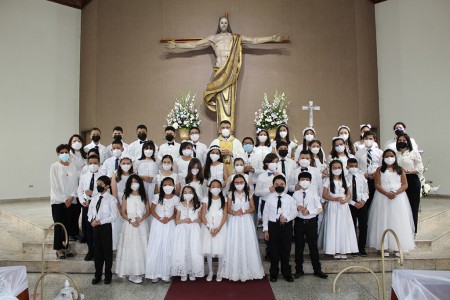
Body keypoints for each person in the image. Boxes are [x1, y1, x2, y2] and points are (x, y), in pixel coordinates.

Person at [165, 16, 282, 131]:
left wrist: (271, 38)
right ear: (219, 25)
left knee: (230, 100)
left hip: (231, 72)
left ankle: (229, 128)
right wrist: (176, 45)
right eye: (222, 23)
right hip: (220, 71)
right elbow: (194, 45)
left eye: (226, 23)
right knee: (220, 100)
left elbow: (254, 40)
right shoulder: (213, 38)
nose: (224, 25)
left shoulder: (235, 38)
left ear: (228, 25)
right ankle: (222, 128)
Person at [367, 149, 415, 256]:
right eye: (387, 156)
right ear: (383, 158)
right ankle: (384, 246)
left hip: (398, 197)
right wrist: (386, 193)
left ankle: (397, 245)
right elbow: (377, 185)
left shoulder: (400, 169)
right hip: (382, 197)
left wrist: (396, 192)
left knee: (397, 220)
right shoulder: (379, 170)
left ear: (395, 157)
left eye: (392, 156)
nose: (390, 158)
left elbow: (405, 184)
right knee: (383, 220)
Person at [221, 174, 264, 282]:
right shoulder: (230, 194)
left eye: (241, 182)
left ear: (244, 183)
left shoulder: (249, 193)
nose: (239, 184)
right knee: (234, 242)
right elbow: (228, 209)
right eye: (237, 182)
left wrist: (244, 211)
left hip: (246, 220)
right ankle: (234, 270)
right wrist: (234, 212)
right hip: (235, 220)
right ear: (233, 184)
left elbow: (253, 208)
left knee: (247, 242)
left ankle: (249, 269)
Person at [319, 160, 358, 259]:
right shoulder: (328, 180)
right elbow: (324, 195)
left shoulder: (344, 180)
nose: (337, 170)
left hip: (343, 206)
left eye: (339, 168)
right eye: (335, 168)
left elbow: (349, 193)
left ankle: (343, 249)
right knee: (334, 226)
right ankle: (334, 250)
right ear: (331, 169)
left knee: (343, 227)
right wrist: (335, 199)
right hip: (333, 206)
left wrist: (346, 199)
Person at [115, 174, 150, 284]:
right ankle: (132, 273)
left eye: (136, 181)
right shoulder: (126, 195)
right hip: (130, 225)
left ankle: (141, 270)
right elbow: (123, 212)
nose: (134, 184)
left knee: (141, 247)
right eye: (132, 182)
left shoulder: (144, 196)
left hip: (141, 225)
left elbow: (148, 211)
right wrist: (131, 220)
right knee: (131, 248)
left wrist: (141, 219)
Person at [292, 172, 327, 279]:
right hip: (299, 222)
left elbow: (319, 208)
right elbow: (290, 209)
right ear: (298, 181)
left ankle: (317, 269)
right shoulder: (295, 194)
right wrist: (297, 208)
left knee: (313, 246)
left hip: (311, 222)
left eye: (307, 179)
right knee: (299, 246)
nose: (305, 181)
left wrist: (310, 211)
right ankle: (299, 269)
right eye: (302, 179)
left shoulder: (313, 193)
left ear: (310, 181)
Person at [263, 175, 297, 282]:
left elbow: (294, 212)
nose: (279, 186)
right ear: (273, 185)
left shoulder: (290, 198)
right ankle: (274, 273)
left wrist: (287, 218)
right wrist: (266, 230)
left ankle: (286, 273)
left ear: (285, 185)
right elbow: (265, 215)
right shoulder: (269, 199)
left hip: (286, 227)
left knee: (286, 251)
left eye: (281, 184)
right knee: (274, 252)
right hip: (273, 227)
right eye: (276, 184)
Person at [146, 177, 179, 283]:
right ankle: (154, 273)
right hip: (158, 224)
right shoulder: (157, 197)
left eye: (170, 184)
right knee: (157, 246)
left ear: (173, 186)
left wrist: (169, 219)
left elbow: (176, 213)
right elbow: (151, 210)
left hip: (169, 224)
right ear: (161, 186)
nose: (167, 187)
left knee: (168, 247)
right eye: (165, 185)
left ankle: (166, 273)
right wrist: (160, 218)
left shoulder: (176, 198)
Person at [50, 144, 78, 259]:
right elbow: (54, 185)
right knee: (59, 225)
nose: (64, 154)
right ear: (58, 154)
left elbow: (75, 183)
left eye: (66, 152)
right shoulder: (54, 167)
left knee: (68, 225)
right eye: (61, 152)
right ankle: (58, 249)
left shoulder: (73, 167)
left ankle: (66, 247)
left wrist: (71, 197)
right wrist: (63, 199)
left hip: (71, 201)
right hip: (58, 201)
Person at [88, 175, 118, 285]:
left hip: (105, 227)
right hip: (95, 227)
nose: (98, 186)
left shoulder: (111, 199)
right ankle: (97, 275)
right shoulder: (95, 198)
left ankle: (108, 275)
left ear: (107, 186)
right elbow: (90, 212)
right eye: (97, 184)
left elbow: (114, 216)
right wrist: (91, 220)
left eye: (100, 184)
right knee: (97, 252)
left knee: (107, 252)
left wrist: (100, 221)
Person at [170, 186, 204, 281]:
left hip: (193, 229)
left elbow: (200, 219)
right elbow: (176, 220)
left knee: (193, 249)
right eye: (185, 192)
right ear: (182, 194)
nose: (187, 194)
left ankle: (193, 271)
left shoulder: (197, 205)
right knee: (182, 249)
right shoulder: (180, 205)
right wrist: (184, 220)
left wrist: (193, 220)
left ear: (193, 194)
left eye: (190, 192)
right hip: (182, 230)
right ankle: (183, 272)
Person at [77, 154, 104, 261]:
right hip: (86, 205)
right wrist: (82, 201)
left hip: (98, 206)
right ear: (87, 164)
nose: (93, 165)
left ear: (99, 163)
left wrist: (93, 194)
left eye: (95, 163)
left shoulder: (103, 176)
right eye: (90, 163)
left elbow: (105, 191)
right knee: (88, 229)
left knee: (97, 229)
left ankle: (98, 251)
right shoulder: (84, 176)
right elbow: (79, 190)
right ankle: (90, 251)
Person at [201, 179, 228, 282]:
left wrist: (218, 228)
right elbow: (202, 215)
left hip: (220, 226)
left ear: (221, 188)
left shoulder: (224, 199)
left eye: (218, 186)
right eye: (213, 186)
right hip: (208, 226)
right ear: (209, 188)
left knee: (220, 249)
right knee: (209, 249)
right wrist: (209, 227)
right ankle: (211, 272)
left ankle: (220, 272)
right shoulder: (205, 199)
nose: (215, 188)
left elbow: (225, 215)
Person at [396, 133, 423, 234]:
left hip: (412, 181)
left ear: (408, 142)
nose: (401, 142)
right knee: (401, 207)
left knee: (412, 206)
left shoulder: (414, 153)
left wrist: (406, 171)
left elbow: (420, 169)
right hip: (398, 182)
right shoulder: (395, 153)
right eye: (400, 140)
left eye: (404, 140)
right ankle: (402, 230)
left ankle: (412, 231)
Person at [345, 158, 369, 256]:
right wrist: (353, 203)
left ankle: (362, 247)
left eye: (355, 166)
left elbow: (366, 191)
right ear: (347, 167)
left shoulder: (361, 177)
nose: (353, 168)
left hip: (362, 204)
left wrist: (363, 201)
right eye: (351, 166)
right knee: (352, 226)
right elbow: (344, 193)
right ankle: (353, 248)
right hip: (350, 205)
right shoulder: (345, 178)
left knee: (363, 226)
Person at [110, 156, 134, 251]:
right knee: (117, 224)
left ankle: (128, 246)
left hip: (130, 200)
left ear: (131, 165)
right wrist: (119, 207)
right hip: (118, 201)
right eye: (123, 163)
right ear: (119, 164)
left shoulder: (133, 175)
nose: (126, 165)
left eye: (128, 163)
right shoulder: (115, 175)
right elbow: (114, 193)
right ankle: (116, 246)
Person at [355, 131, 383, 208]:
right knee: (366, 201)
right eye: (366, 138)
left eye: (370, 138)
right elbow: (356, 167)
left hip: (376, 179)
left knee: (375, 201)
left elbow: (381, 166)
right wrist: (363, 174)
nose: (368, 140)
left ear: (374, 140)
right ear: (363, 139)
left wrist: (376, 174)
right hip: (363, 179)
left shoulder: (380, 152)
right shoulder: (358, 153)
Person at [241, 136, 264, 226]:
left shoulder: (258, 157)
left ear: (253, 145)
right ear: (242, 145)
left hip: (254, 184)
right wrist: (244, 169)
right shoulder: (239, 155)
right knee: (243, 206)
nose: (248, 145)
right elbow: (234, 170)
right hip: (242, 185)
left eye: (249, 143)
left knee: (254, 207)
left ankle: (253, 227)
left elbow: (263, 171)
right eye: (245, 143)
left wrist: (254, 170)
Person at [67, 134, 87, 241]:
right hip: (73, 184)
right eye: (74, 141)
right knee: (73, 210)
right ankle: (71, 232)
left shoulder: (84, 154)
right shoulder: (69, 154)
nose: (77, 143)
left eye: (79, 140)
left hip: (83, 184)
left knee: (81, 209)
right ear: (70, 143)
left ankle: (79, 231)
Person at [255, 153, 281, 226]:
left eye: (276, 162)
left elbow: (286, 190)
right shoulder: (261, 176)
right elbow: (257, 192)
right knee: (267, 224)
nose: (274, 164)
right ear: (266, 163)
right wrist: (268, 190)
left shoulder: (281, 175)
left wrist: (280, 179)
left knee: (279, 224)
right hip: (266, 202)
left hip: (279, 202)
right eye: (272, 162)